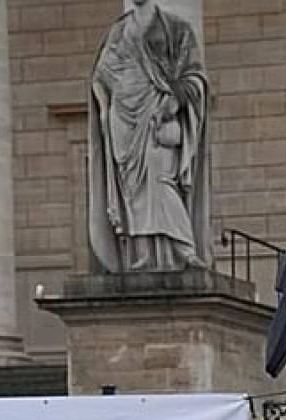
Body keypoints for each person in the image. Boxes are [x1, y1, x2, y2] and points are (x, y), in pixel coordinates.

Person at [89, 0, 211, 273]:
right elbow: (100, 76)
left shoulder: (176, 28)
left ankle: (183, 248)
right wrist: (105, 109)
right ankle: (142, 254)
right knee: (132, 190)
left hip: (156, 113)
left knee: (162, 178)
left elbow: (195, 77)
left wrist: (175, 101)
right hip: (124, 119)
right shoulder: (118, 31)